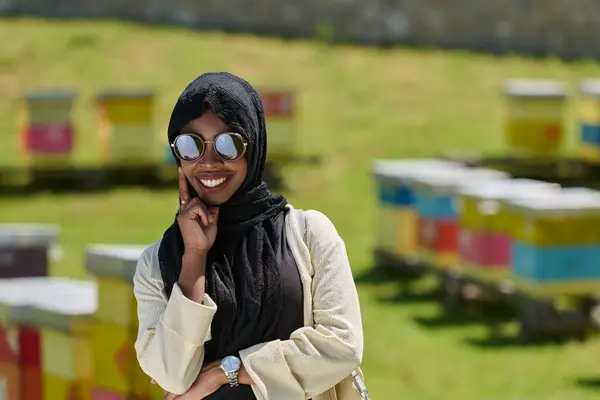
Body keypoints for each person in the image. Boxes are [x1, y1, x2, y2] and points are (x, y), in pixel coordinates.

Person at [132, 72, 365, 400]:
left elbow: (342, 346)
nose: (209, 162)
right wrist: (194, 257)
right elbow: (172, 375)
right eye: (190, 145)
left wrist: (223, 372)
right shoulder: (156, 264)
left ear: (253, 145)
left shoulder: (308, 235)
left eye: (228, 143)